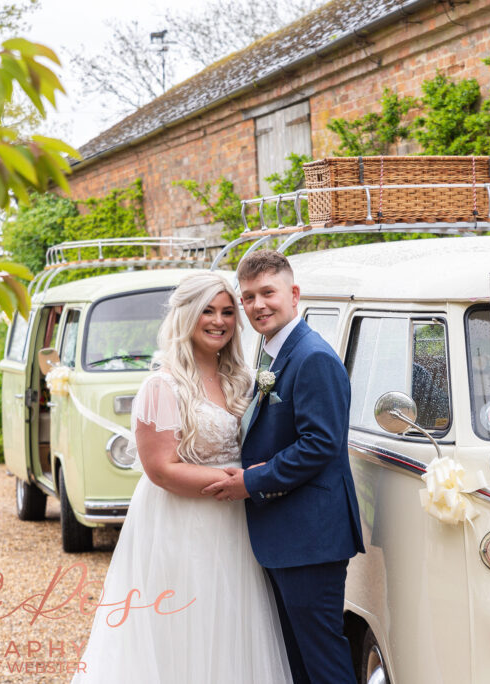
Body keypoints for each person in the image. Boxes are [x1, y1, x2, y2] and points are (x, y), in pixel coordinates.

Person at [73, 272, 292, 683]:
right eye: (207, 310)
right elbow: (160, 469)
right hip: (183, 522)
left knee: (233, 622)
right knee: (186, 625)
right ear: (187, 315)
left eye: (228, 312)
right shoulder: (162, 385)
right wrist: (236, 482)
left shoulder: (244, 379)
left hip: (239, 523)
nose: (219, 320)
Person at [203, 250, 364, 684]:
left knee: (323, 659)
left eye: (268, 293)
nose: (258, 305)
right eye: (249, 296)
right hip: (286, 534)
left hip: (311, 537)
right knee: (296, 658)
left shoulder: (312, 357)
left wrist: (250, 482)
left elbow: (321, 445)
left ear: (294, 294)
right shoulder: (273, 353)